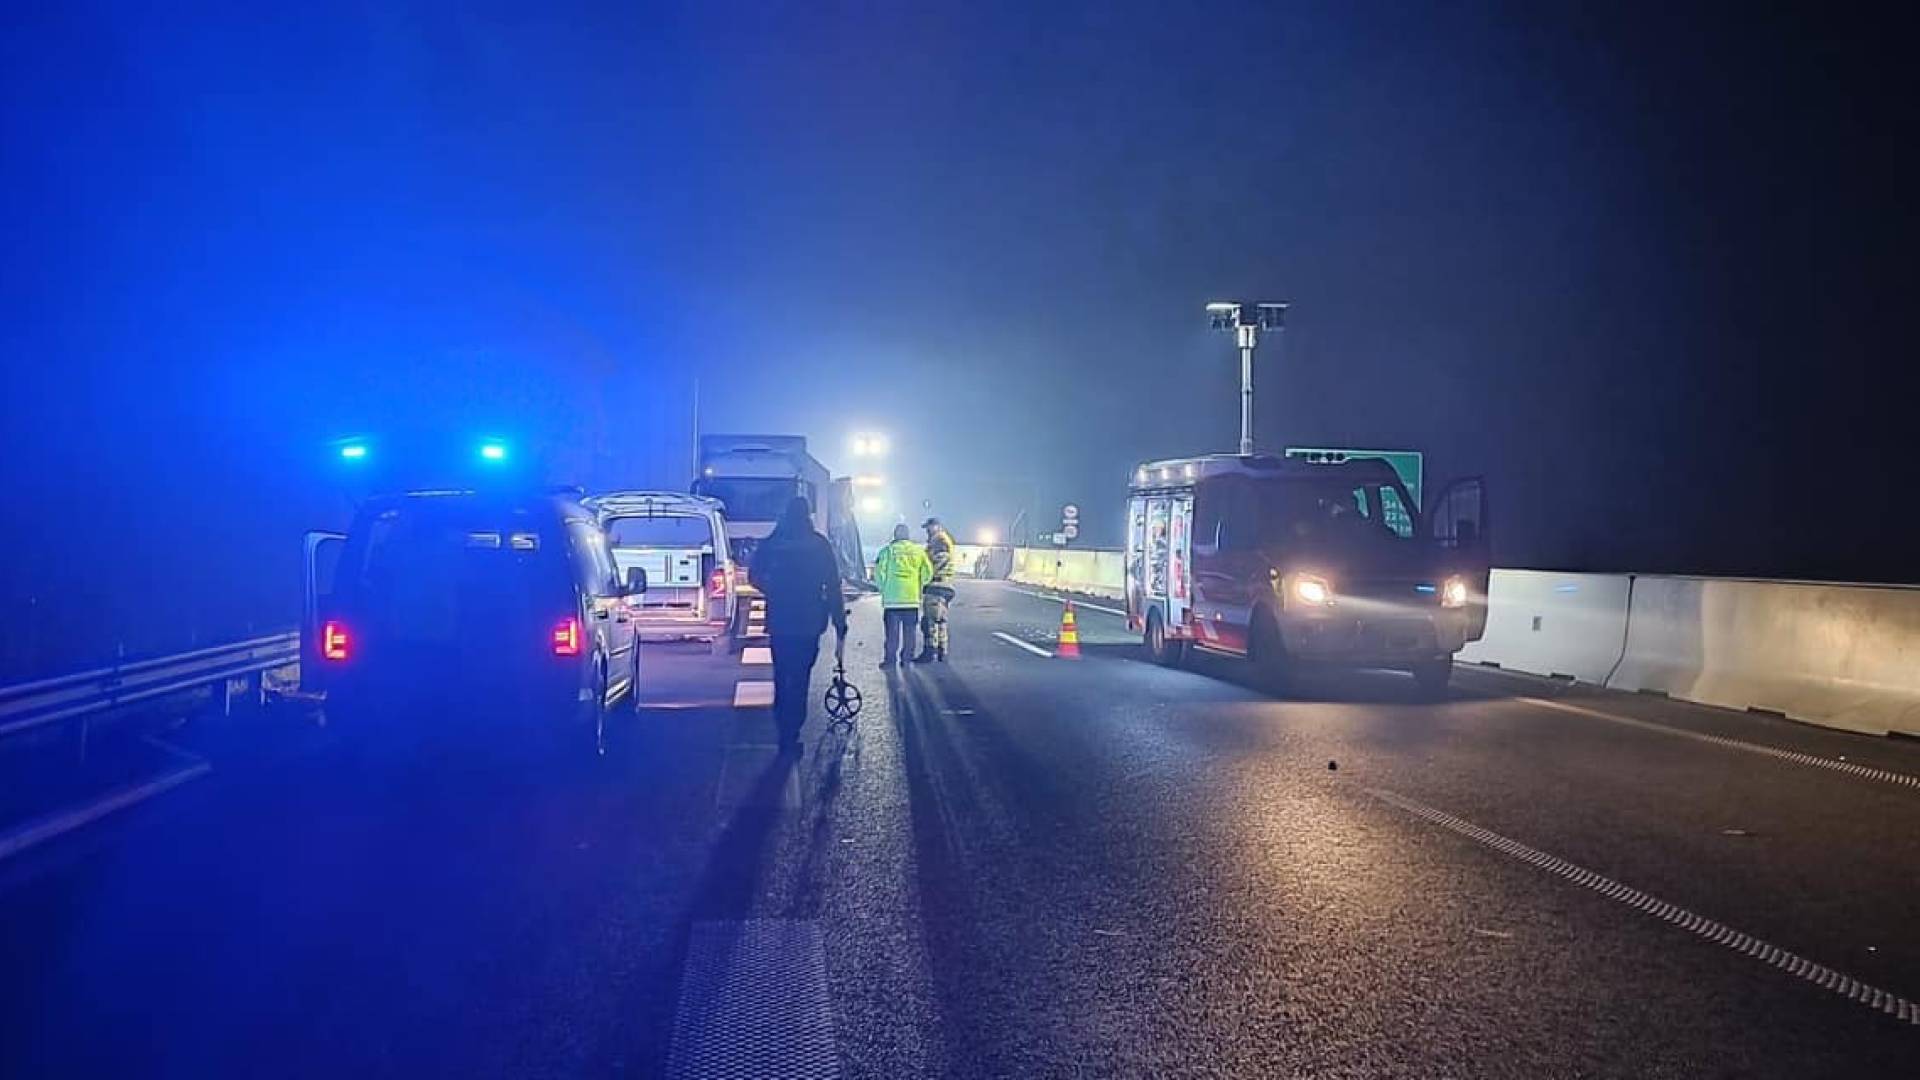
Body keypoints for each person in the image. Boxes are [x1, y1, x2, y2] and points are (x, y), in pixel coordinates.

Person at [748, 496, 848, 752]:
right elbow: (833, 585)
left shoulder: (774, 542)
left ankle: (783, 728)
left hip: (780, 620)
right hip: (809, 621)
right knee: (801, 677)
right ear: (808, 515)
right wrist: (839, 621)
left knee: (782, 675)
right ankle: (793, 729)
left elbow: (754, 575)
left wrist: (773, 590)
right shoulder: (818, 545)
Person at [871, 523, 932, 668]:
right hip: (911, 599)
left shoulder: (887, 551)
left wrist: (884, 588)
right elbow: (928, 572)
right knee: (910, 632)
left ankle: (890, 661)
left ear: (895, 535)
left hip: (892, 600)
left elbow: (879, 573)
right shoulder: (918, 551)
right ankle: (907, 659)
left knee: (892, 634)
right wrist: (919, 584)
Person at [914, 517, 956, 663]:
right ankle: (941, 650)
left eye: (929, 527)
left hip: (936, 585)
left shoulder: (939, 541)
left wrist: (925, 575)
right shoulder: (942, 540)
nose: (927, 530)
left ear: (936, 526)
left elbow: (938, 561)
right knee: (940, 620)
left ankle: (929, 652)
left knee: (930, 622)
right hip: (945, 585)